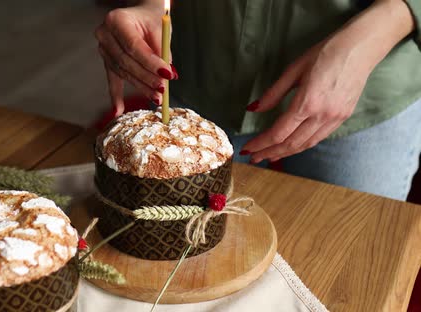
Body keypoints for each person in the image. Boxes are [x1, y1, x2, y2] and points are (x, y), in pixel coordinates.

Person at [94, 0, 421, 200]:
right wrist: (153, 4)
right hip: (199, 67)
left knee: (343, 272)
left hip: (365, 91)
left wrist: (370, 39)